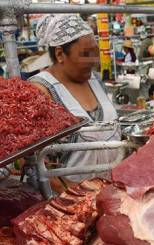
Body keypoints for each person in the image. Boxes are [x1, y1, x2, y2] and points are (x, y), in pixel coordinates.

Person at [30, 14, 121, 188]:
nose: (94, 61)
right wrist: (77, 199)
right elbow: (35, 163)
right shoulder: (41, 91)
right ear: (60, 54)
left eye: (96, 53)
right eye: (86, 54)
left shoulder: (94, 80)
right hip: (73, 200)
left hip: (114, 190)